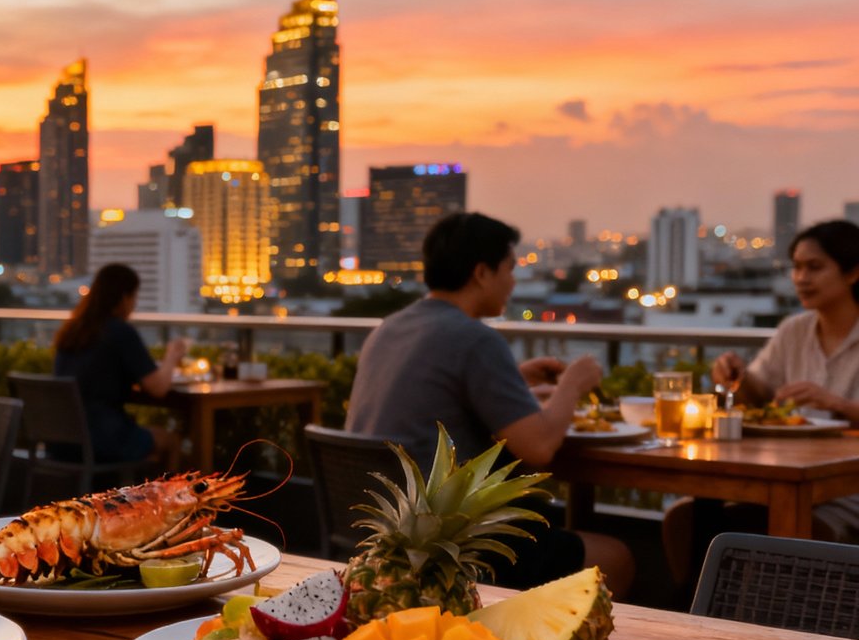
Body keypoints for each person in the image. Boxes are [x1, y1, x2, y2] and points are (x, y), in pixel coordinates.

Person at [346, 212, 634, 596]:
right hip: (459, 545)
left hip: (387, 534)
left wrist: (516, 379)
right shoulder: (475, 339)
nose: (513, 282)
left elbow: (444, 400)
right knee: (617, 557)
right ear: (482, 273)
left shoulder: (390, 327)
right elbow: (539, 446)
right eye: (510, 269)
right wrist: (573, 383)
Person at [664, 220, 859, 561]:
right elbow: (757, 394)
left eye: (815, 267)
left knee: (798, 532)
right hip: (783, 478)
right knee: (685, 518)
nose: (801, 278)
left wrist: (838, 404)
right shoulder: (794, 330)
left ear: (853, 273)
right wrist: (736, 376)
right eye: (796, 267)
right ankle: (701, 610)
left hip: (847, 491)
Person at [53, 263, 187, 466]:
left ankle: (127, 494)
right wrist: (172, 356)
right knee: (170, 441)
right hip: (100, 439)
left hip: (60, 440)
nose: (134, 304)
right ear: (125, 298)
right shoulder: (120, 332)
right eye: (134, 297)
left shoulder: (72, 331)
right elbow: (158, 388)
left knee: (149, 451)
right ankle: (169, 498)